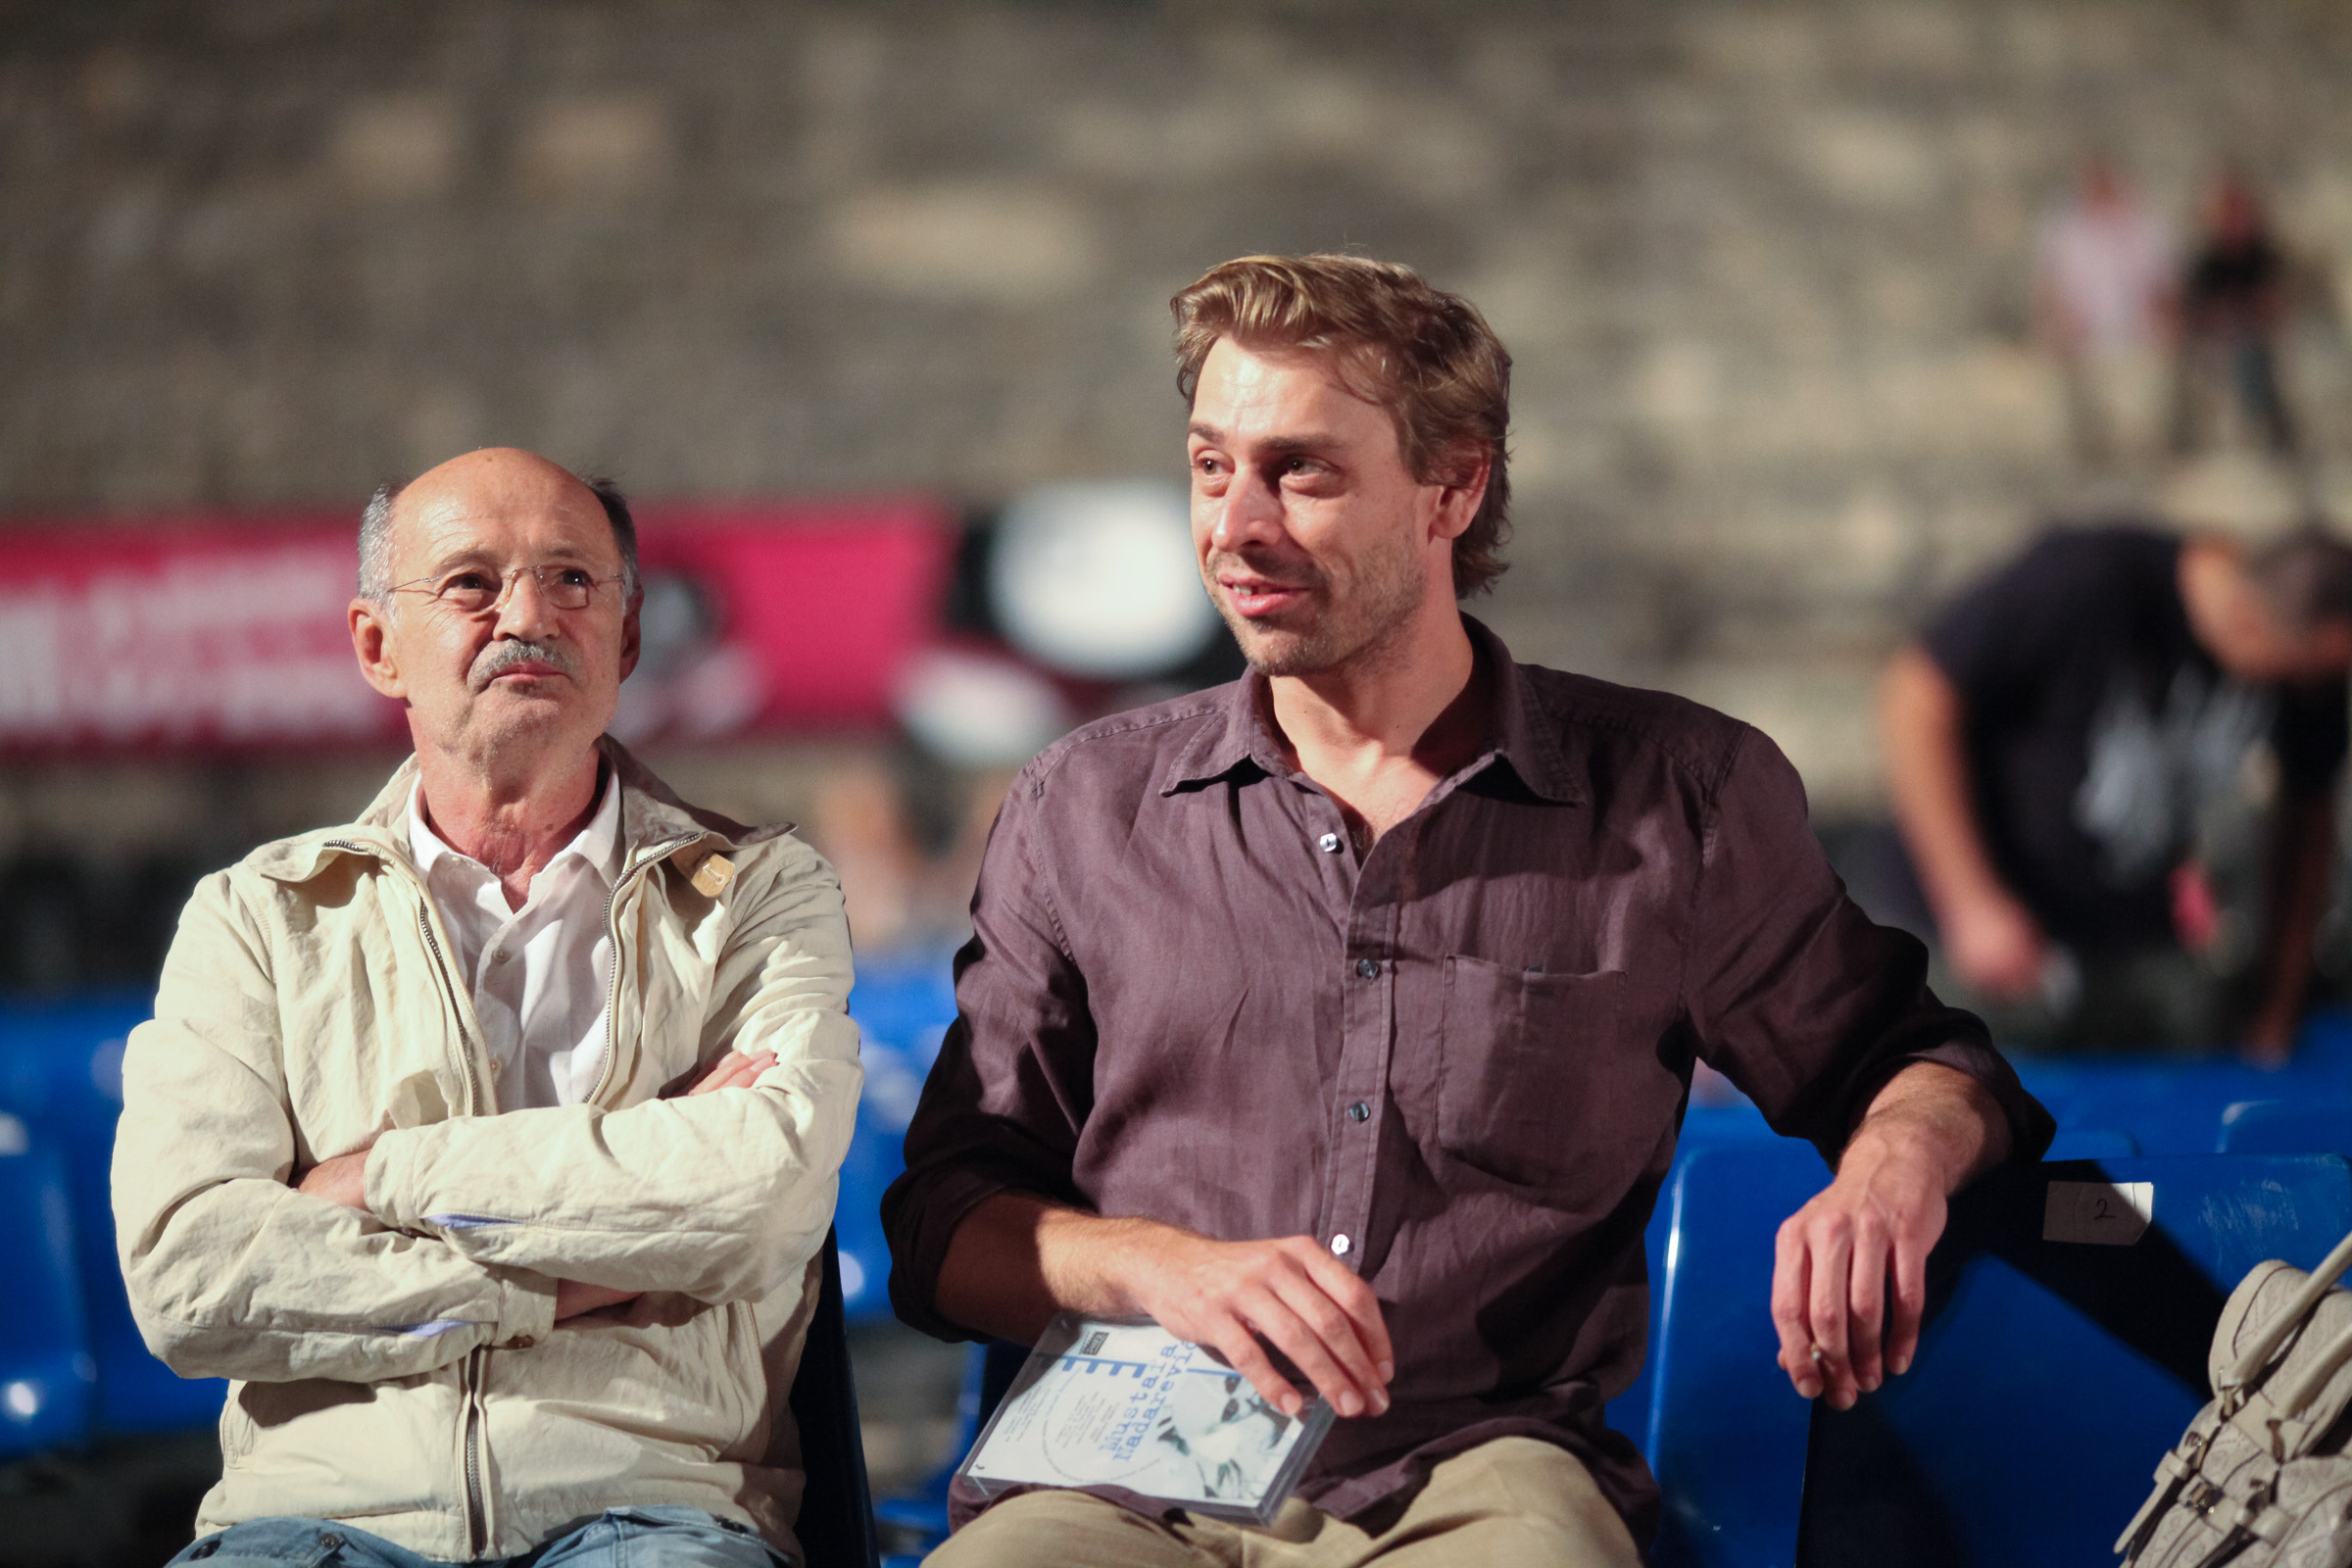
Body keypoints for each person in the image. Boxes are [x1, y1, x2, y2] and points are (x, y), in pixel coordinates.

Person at [882, 255, 2052, 1566]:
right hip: (1122, 1474)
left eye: (1301, 472)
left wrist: (1892, 1170)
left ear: (1454, 487)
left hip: (1473, 1474)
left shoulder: (1677, 797)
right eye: (1212, 467)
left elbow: (1916, 1064)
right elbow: (941, 1225)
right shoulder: (1083, 803)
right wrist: (1159, 1266)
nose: (1235, 525)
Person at [111, 449, 861, 1568]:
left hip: (654, 1508)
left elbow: (757, 1201)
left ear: (629, 638)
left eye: (572, 580)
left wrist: (377, 1177)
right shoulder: (258, 915)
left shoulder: (758, 890)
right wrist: (571, 1278)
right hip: (313, 1523)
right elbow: (192, 1279)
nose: (528, 615)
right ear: (378, 646)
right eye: (471, 583)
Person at [1878, 522, 2352, 1060]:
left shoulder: (2313, 662)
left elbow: (2308, 817)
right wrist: (1972, 903)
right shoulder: (2086, 579)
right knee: (1953, 1078)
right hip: (1968, 931)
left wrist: (2279, 999)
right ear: (2246, 619)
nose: (2314, 693)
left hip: (2125, 942)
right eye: (2302, 675)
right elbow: (1917, 697)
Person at [2034, 160, 2178, 466]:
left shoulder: (2145, 224)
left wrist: (2162, 315)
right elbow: (2050, 286)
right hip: (2084, 335)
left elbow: (2164, 282)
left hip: (2138, 334)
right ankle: (2091, 455)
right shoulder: (2067, 231)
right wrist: (2058, 320)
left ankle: (2153, 452)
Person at [2172, 176, 2300, 456]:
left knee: (2252, 358)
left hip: (2258, 337)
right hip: (2219, 339)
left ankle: (2272, 437)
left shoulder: (2266, 256)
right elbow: (2197, 307)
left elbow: (2278, 302)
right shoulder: (2209, 260)